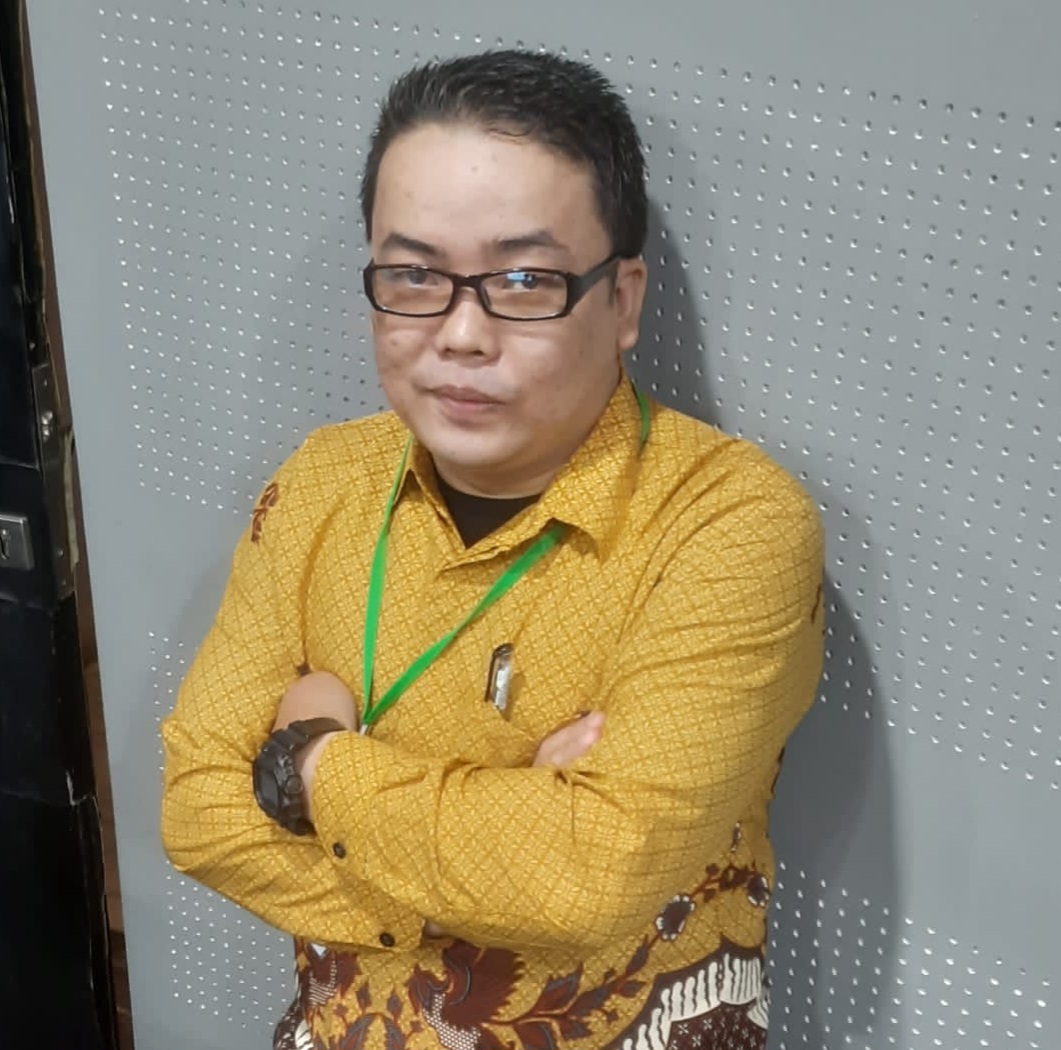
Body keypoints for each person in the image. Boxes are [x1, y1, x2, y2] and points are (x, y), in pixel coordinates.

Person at [161, 49, 825, 1050]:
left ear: (623, 300)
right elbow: (199, 811)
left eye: (522, 280)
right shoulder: (321, 484)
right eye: (413, 275)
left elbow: (588, 874)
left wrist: (309, 764)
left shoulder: (729, 524)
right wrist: (514, 839)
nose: (461, 334)